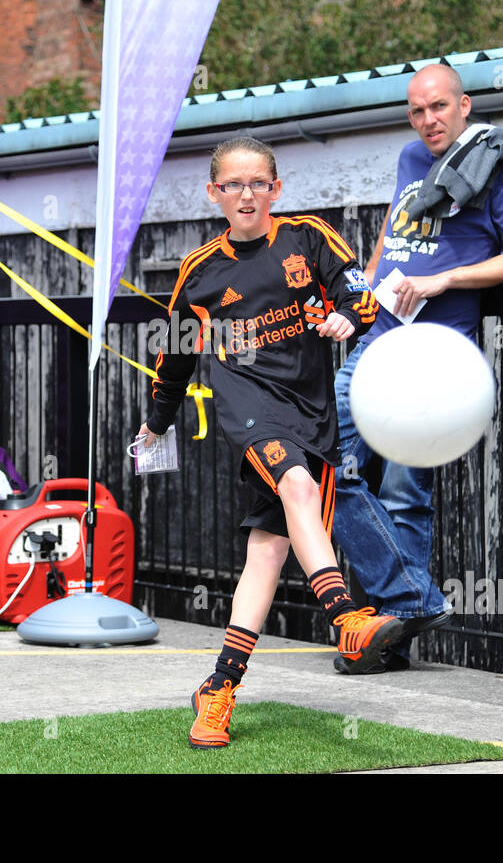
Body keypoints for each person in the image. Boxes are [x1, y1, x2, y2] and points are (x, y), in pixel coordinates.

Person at [139, 136, 397, 749]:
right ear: (215, 194)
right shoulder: (200, 270)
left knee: (267, 554)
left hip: (311, 413)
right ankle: (346, 619)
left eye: (259, 183)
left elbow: (360, 294)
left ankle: (218, 689)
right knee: (298, 486)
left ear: (276, 189)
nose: (247, 194)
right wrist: (157, 421)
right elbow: (174, 355)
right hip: (249, 409)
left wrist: (346, 317)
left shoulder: (309, 237)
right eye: (234, 184)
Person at [333, 64, 503, 673]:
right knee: (327, 473)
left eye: (439, 107)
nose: (429, 120)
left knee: (404, 492)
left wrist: (445, 277)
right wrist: (366, 291)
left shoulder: (500, 166)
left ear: (465, 105)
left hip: (434, 354)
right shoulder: (407, 157)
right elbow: (393, 229)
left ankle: (388, 642)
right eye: (418, 110)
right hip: (375, 340)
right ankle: (408, 602)